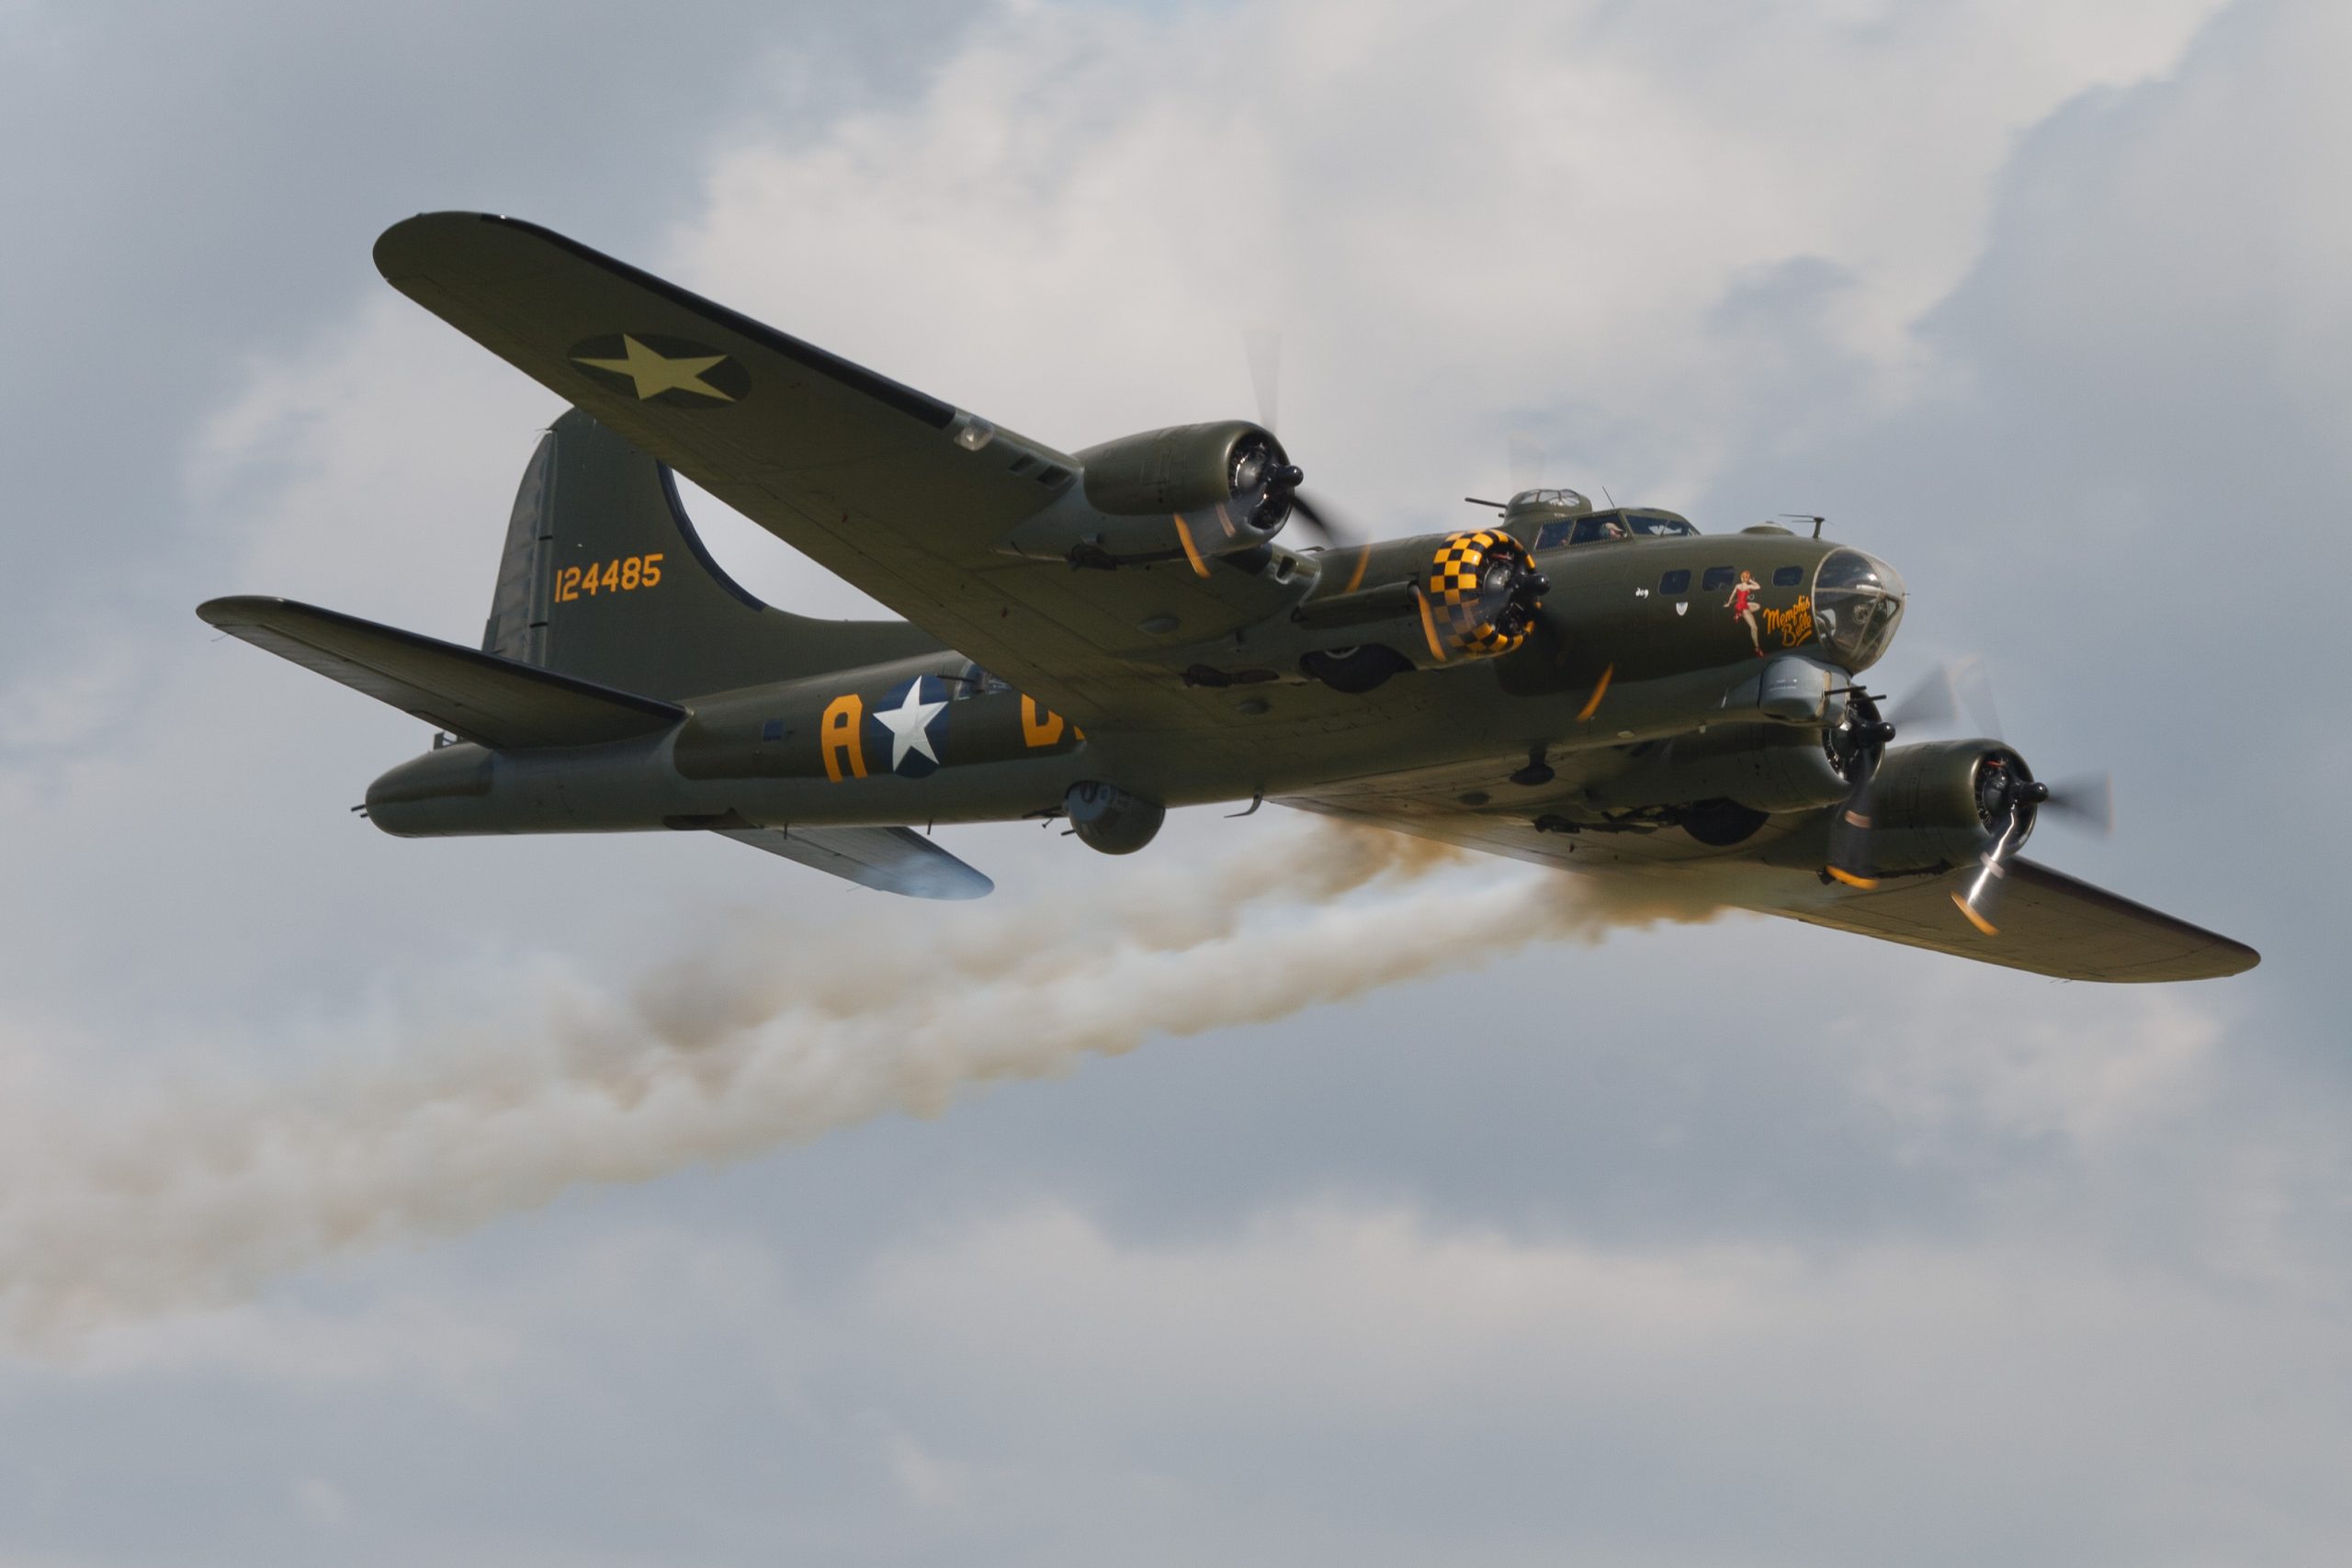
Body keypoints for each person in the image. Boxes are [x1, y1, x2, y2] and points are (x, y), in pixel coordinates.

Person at [1727, 568, 1765, 656]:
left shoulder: (1737, 586)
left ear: (1741, 578)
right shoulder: (1748, 586)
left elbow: (1732, 595)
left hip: (1738, 605)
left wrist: (1728, 603)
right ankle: (1757, 648)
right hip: (1743, 607)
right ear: (1748, 578)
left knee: (1757, 606)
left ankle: (1739, 614)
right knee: (1754, 628)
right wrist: (1751, 581)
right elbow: (1758, 587)